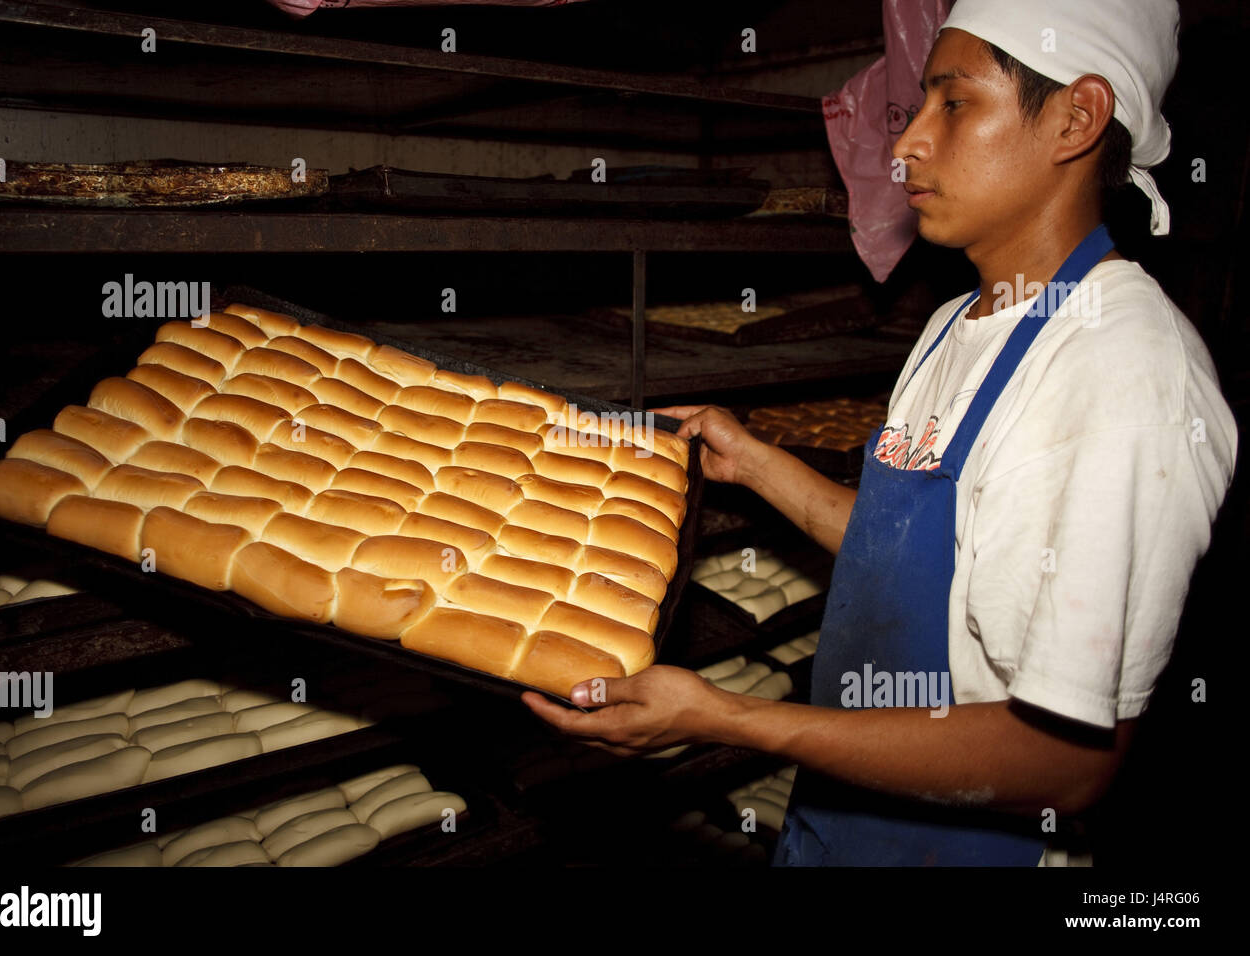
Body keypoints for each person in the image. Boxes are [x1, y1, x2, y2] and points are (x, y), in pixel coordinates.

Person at [521, 0, 1238, 866]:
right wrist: (758, 464)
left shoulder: (1123, 372)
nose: (906, 143)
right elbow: (920, 556)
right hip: (842, 827)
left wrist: (733, 719)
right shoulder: (952, 325)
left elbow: (1064, 762)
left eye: (955, 103)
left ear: (1076, 119)